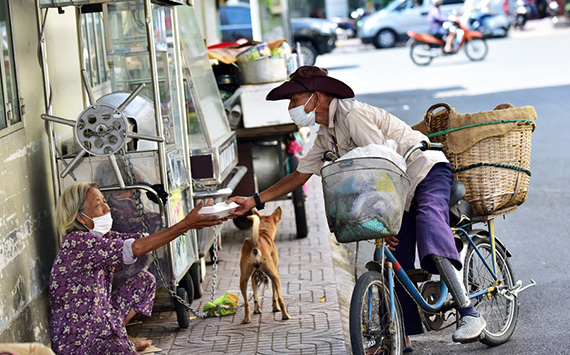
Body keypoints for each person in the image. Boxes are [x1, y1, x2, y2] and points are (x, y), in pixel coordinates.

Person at [226, 66, 486, 351]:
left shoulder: (352, 114)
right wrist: (254, 201)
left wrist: (386, 213)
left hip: (425, 172)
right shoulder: (326, 134)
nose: (291, 108)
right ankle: (400, 335)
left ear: (317, 96)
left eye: (294, 99)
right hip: (397, 190)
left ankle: (468, 312)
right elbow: (299, 176)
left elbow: (382, 162)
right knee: (389, 258)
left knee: (428, 225)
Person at [49, 182, 224, 355]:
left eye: (104, 201)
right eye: (98, 204)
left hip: (98, 323)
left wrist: (187, 222)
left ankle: (115, 337)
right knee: (125, 351)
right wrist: (186, 224)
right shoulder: (77, 243)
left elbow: (142, 241)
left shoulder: (101, 237)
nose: (106, 208)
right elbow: (136, 249)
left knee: (145, 280)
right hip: (77, 341)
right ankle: (118, 343)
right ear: (80, 217)